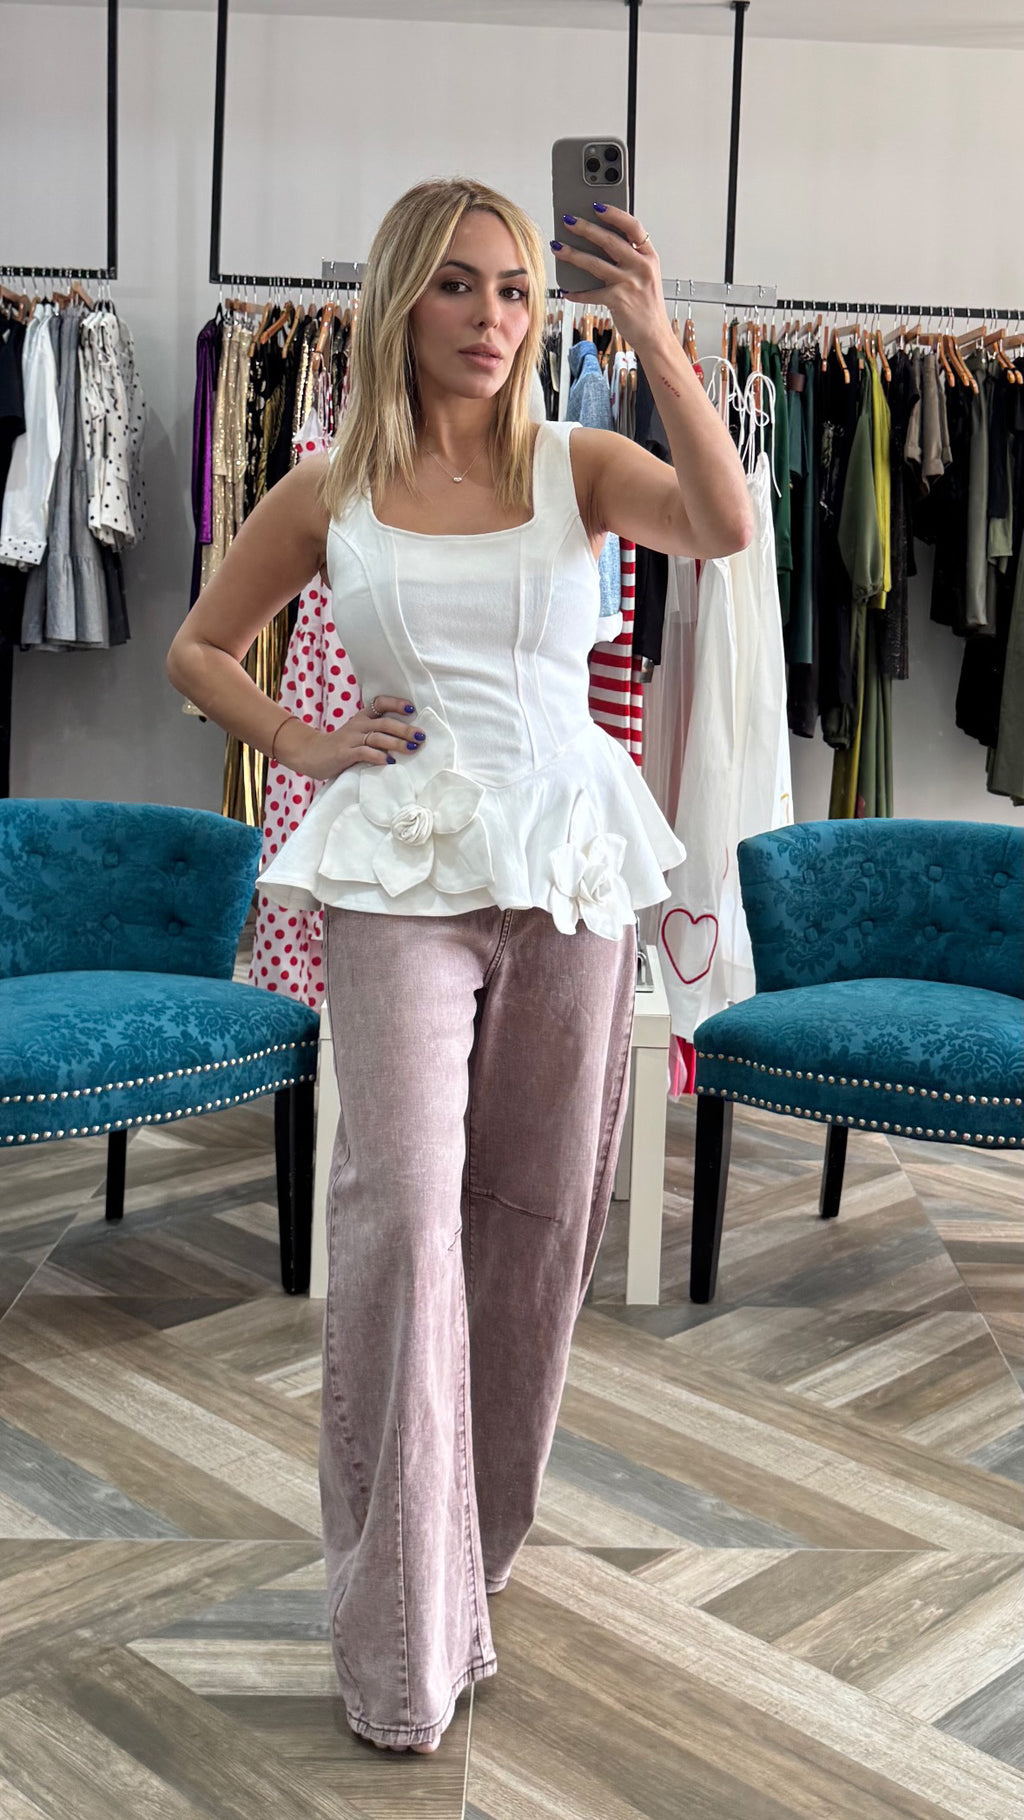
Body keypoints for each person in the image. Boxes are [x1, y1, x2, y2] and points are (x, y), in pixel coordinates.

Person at [167, 177, 751, 1756]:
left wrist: (654, 334)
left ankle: (472, 1554)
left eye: (514, 291)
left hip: (569, 873)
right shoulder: (328, 489)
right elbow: (197, 648)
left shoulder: (581, 463)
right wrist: (300, 740)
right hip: (400, 871)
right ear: (399, 301)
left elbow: (727, 526)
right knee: (406, 1218)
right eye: (458, 286)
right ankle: (398, 1629)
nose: (492, 317)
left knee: (536, 1222)